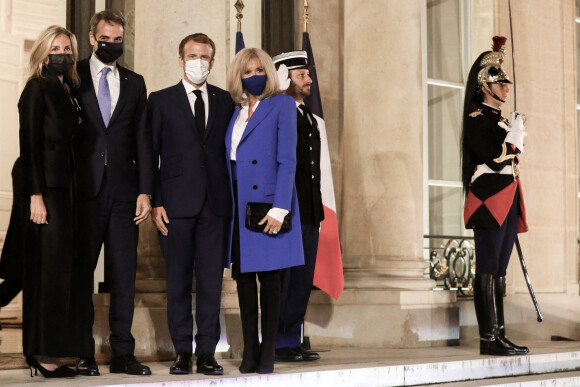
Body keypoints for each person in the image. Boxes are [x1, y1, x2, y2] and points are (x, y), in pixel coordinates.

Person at [0, 25, 92, 378]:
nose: (62, 52)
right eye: (55, 47)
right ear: (42, 52)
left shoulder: (68, 89)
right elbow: (30, 145)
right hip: (45, 192)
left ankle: (54, 349)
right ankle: (41, 354)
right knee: (46, 274)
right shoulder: (36, 88)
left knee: (61, 273)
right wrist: (34, 196)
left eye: (67, 47)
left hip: (68, 191)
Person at [148, 33, 234, 376]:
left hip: (216, 206)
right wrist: (155, 201)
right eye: (192, 55)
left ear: (212, 62)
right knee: (178, 282)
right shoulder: (161, 100)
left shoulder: (226, 100)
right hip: (175, 207)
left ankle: (208, 353)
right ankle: (182, 352)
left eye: (205, 56)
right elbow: (149, 155)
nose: (199, 61)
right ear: (181, 59)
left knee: (212, 284)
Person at [76, 9, 153, 376]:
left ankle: (123, 352)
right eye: (105, 39)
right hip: (84, 192)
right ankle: (82, 351)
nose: (111, 45)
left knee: (124, 275)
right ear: (92, 37)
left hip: (125, 194)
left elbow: (143, 140)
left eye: (118, 40)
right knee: (81, 275)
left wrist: (146, 192)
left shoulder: (135, 82)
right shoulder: (71, 74)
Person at [226, 48, 305, 374]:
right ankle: (250, 351)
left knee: (270, 282)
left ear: (269, 72)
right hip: (237, 204)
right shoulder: (236, 111)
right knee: (243, 280)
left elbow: (288, 160)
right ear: (239, 76)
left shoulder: (282, 104)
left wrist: (280, 209)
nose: (253, 75)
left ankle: (268, 352)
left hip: (268, 204)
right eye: (247, 71)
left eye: (259, 69)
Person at [461, 36, 529, 356]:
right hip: (489, 202)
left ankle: (499, 334)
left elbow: (513, 157)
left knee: (499, 272)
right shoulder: (477, 120)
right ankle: (488, 338)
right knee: (487, 269)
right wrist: (514, 136)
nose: (506, 89)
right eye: (500, 84)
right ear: (485, 86)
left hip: (506, 200)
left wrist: (512, 133)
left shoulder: (499, 122)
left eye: (505, 84)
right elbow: (494, 156)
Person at [272, 51, 323, 362]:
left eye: (307, 74)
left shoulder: (306, 116)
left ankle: (292, 336)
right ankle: (280, 341)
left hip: (309, 208)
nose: (308, 80)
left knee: (303, 279)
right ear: (285, 77)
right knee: (287, 279)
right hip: (289, 208)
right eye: (301, 75)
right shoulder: (278, 112)